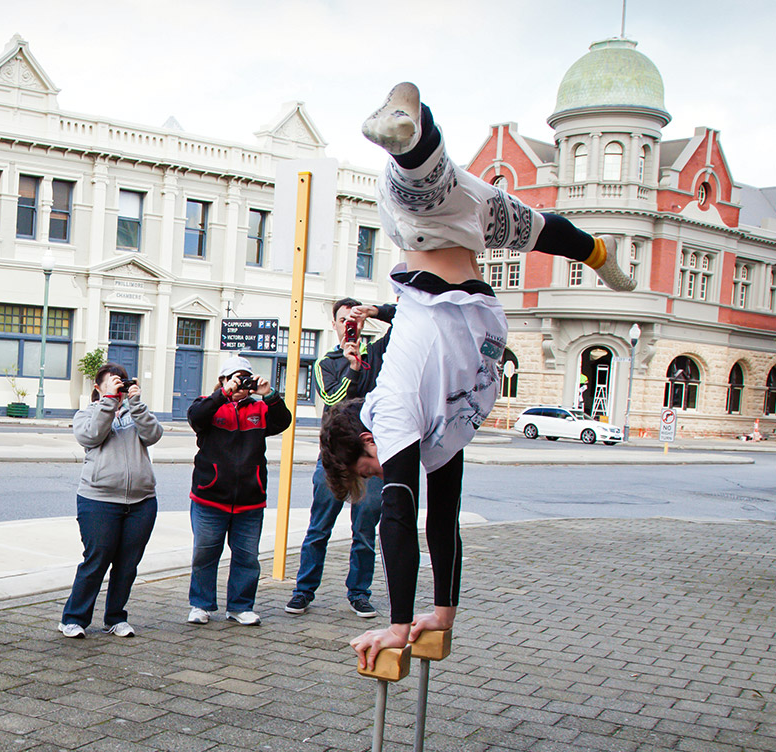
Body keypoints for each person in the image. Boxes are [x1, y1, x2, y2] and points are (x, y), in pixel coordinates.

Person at [322, 81, 634, 673]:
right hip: (463, 264)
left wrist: (404, 621)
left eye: (371, 467)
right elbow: (442, 509)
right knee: (531, 226)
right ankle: (595, 249)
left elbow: (404, 511)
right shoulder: (427, 419)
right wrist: (441, 608)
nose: (384, 468)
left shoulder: (389, 412)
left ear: (367, 443)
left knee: (416, 185)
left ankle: (409, 119)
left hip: (438, 252)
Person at [286, 298, 395, 619]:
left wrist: (378, 311)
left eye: (356, 318)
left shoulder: (378, 354)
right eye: (344, 319)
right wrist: (351, 367)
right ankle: (303, 591)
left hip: (370, 458)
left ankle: (359, 593)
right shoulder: (326, 363)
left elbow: (406, 318)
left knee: (364, 532)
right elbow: (333, 399)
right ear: (334, 325)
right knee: (319, 528)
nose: (351, 324)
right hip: (333, 459)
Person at [186, 355, 293, 626]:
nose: (241, 383)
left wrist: (269, 395)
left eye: (245, 377)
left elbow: (283, 421)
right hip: (210, 498)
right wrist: (224, 394)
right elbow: (196, 416)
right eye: (235, 377)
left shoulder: (259, 409)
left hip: (249, 499)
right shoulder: (209, 405)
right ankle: (201, 605)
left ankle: (240, 606)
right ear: (222, 380)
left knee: (247, 557)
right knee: (205, 554)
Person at [58, 363, 163, 639]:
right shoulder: (87, 413)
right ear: (98, 387)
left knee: (128, 565)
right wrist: (108, 403)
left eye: (123, 382)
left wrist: (136, 404)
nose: (120, 387)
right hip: (98, 500)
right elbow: (91, 436)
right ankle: (73, 618)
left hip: (141, 501)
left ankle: (115, 618)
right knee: (96, 560)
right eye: (113, 382)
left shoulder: (135, 412)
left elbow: (153, 435)